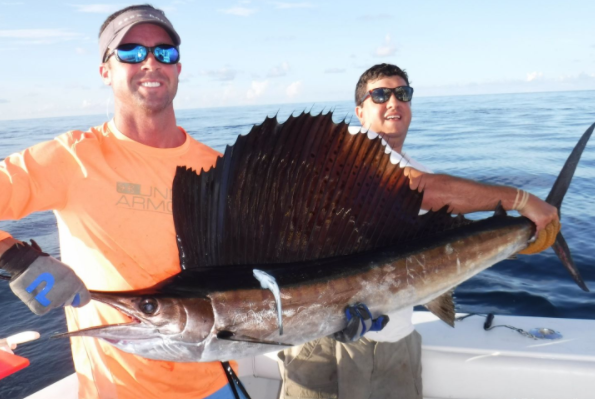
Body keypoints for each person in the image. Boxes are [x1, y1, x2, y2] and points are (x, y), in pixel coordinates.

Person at [0, 5, 247, 399]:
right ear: (105, 71)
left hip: (219, 382)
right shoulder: (71, 158)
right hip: (116, 390)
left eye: (164, 52)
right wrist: (13, 258)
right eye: (131, 52)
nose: (151, 62)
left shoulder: (216, 168)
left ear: (178, 69)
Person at [277, 63, 559, 399]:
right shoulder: (342, 156)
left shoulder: (419, 169)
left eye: (403, 93)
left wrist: (520, 239)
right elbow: (415, 188)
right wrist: (521, 199)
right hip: (316, 339)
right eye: (380, 95)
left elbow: (447, 239)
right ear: (360, 112)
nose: (393, 102)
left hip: (389, 342)